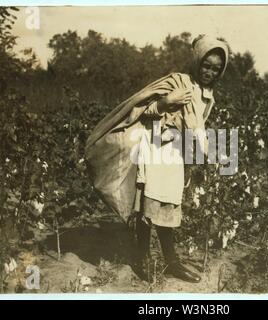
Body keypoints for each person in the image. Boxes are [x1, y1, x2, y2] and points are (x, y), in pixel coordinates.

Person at [85, 35, 230, 283]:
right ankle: (142, 258)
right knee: (148, 206)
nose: (210, 72)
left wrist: (202, 157)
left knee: (169, 206)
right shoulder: (177, 82)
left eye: (216, 69)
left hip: (177, 153)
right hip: (156, 148)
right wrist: (165, 102)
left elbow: (196, 130)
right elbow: (144, 113)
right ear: (197, 61)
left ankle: (171, 262)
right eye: (206, 65)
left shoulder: (208, 95)